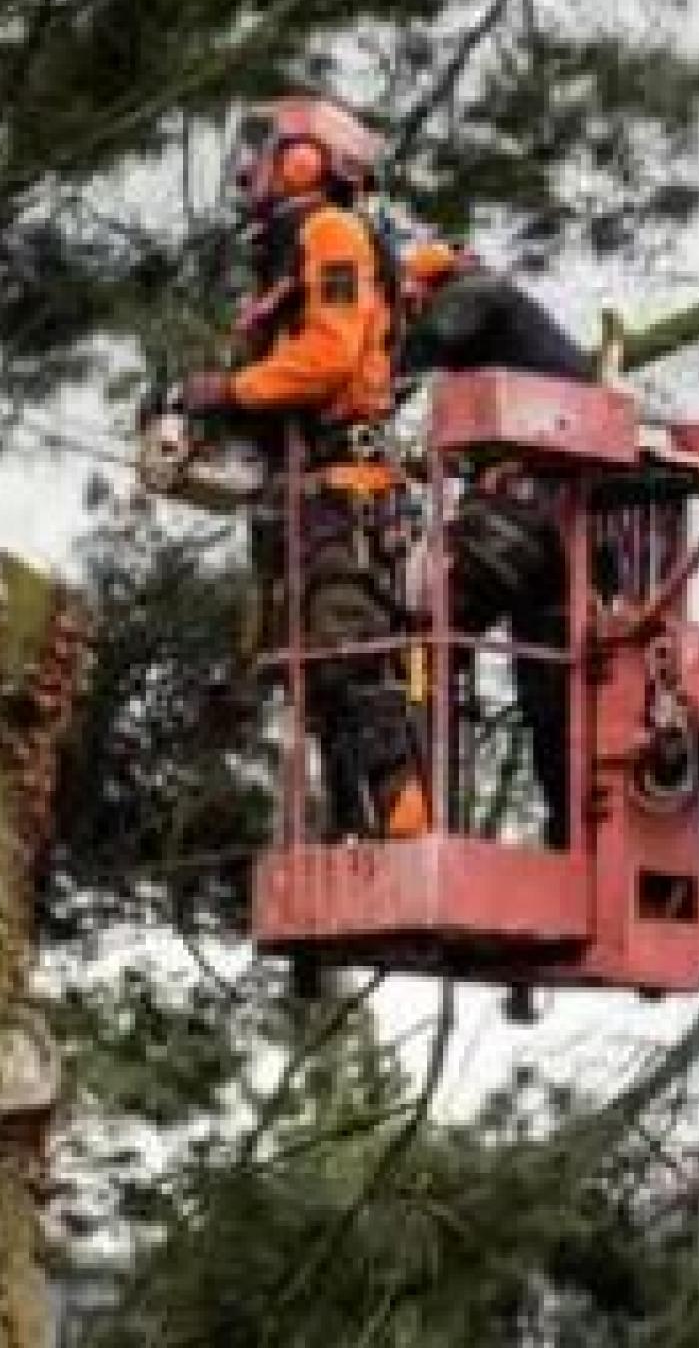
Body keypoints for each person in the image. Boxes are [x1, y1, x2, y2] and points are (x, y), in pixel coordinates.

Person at [178, 97, 427, 842]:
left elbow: (327, 357)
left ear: (306, 156)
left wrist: (230, 390)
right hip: (301, 493)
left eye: (263, 149)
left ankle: (405, 820)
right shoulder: (285, 253)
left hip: (343, 490)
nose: (249, 168)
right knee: (314, 673)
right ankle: (355, 829)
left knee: (348, 651)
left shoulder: (331, 232)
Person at [398, 243, 592, 851]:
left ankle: (409, 813)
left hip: (526, 506)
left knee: (430, 629)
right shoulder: (520, 336)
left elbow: (436, 337)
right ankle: (572, 838)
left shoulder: (478, 298)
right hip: (562, 524)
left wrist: (375, 364)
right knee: (549, 692)